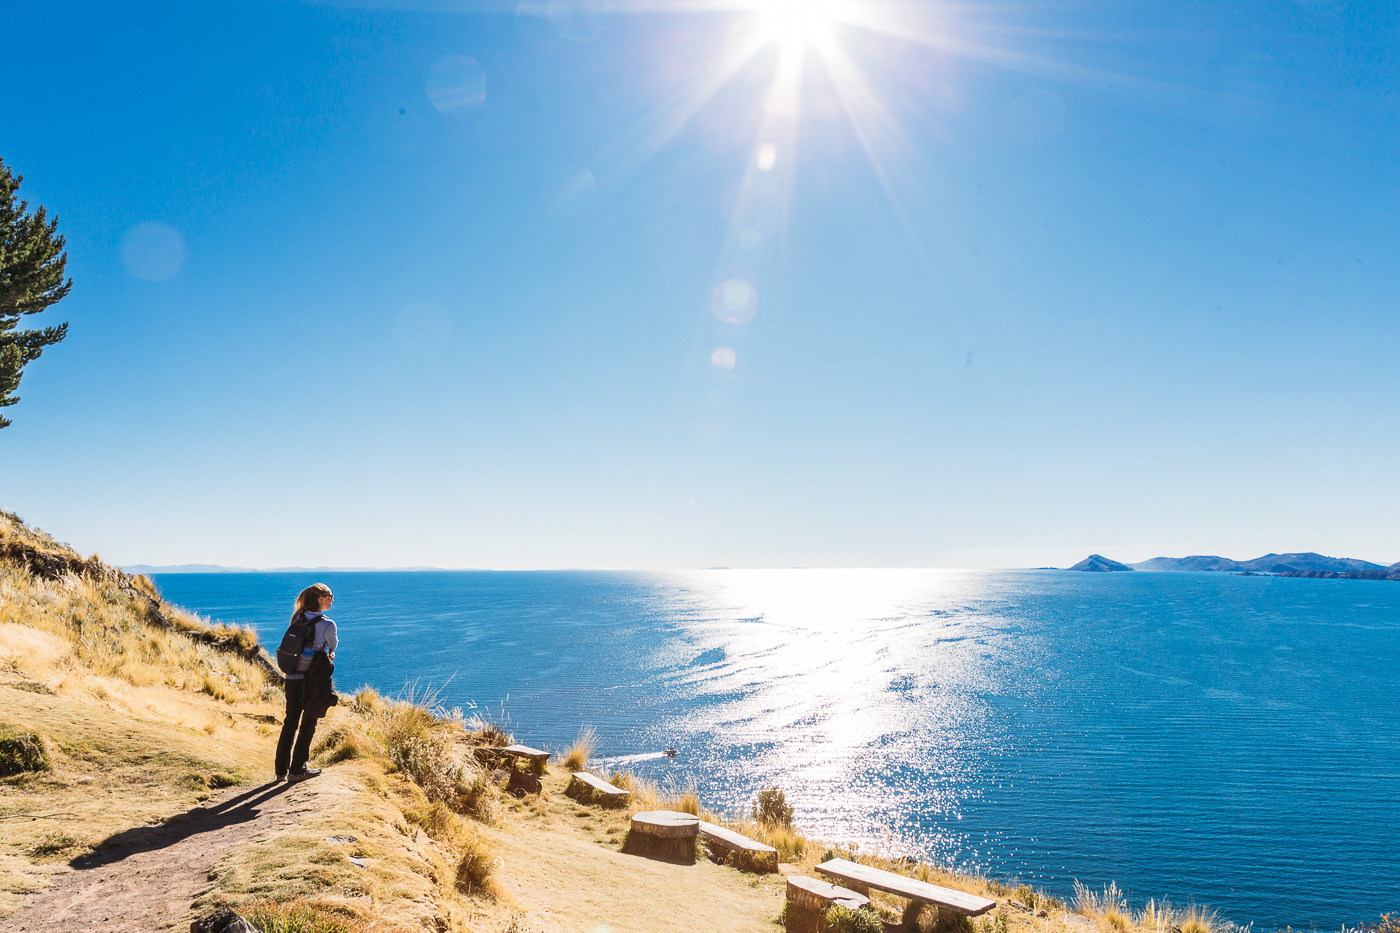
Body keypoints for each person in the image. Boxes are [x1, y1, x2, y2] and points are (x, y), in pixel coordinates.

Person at [274, 583, 338, 782]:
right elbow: (333, 644)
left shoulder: (297, 618)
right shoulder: (328, 623)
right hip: (313, 680)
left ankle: (280, 771)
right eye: (330, 596)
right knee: (308, 723)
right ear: (320, 598)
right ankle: (298, 769)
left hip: (292, 678)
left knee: (290, 723)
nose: (332, 599)